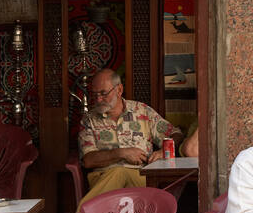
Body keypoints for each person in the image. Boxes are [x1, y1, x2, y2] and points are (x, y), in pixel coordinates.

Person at [77, 68, 182, 205]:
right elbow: (88, 160)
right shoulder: (89, 120)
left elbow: (176, 134)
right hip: (103, 179)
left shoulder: (142, 111)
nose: (98, 99)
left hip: (140, 177)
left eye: (103, 93)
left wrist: (163, 151)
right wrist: (121, 153)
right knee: (119, 172)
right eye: (94, 94)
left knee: (124, 173)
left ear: (119, 90)